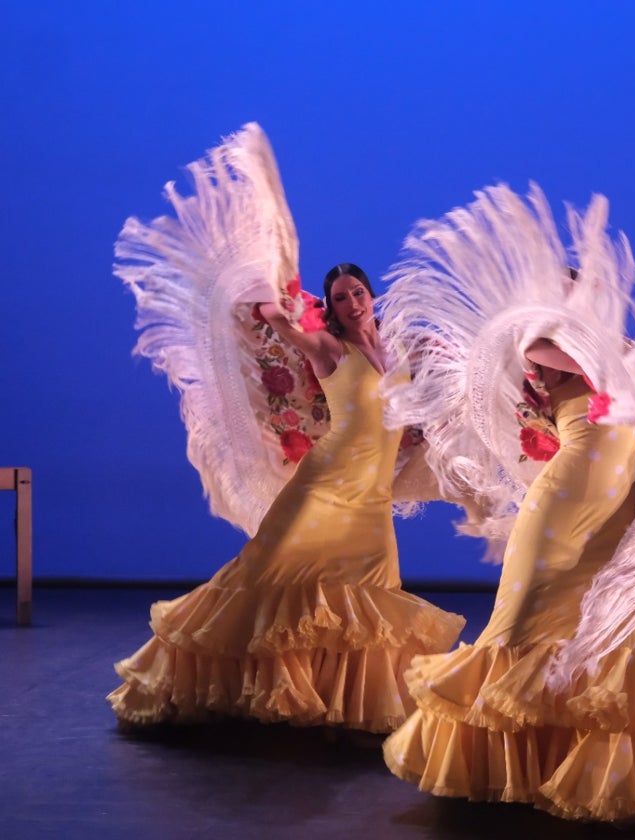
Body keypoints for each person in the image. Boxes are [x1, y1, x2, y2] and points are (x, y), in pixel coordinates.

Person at [375, 184, 635, 829]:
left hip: (616, 509)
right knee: (530, 613)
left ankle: (595, 763)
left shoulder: (614, 355)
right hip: (562, 502)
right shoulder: (543, 351)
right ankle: (520, 762)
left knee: (616, 618)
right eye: (568, 297)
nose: (579, 305)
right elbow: (589, 363)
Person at [109, 127, 465, 733]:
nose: (351, 302)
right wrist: (262, 274)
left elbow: (421, 406)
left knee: (366, 601)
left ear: (372, 297)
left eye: (358, 292)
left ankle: (344, 700)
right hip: (324, 484)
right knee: (267, 575)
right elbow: (275, 320)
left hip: (370, 496)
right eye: (340, 296)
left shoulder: (400, 352)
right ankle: (214, 681)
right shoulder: (327, 347)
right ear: (331, 306)